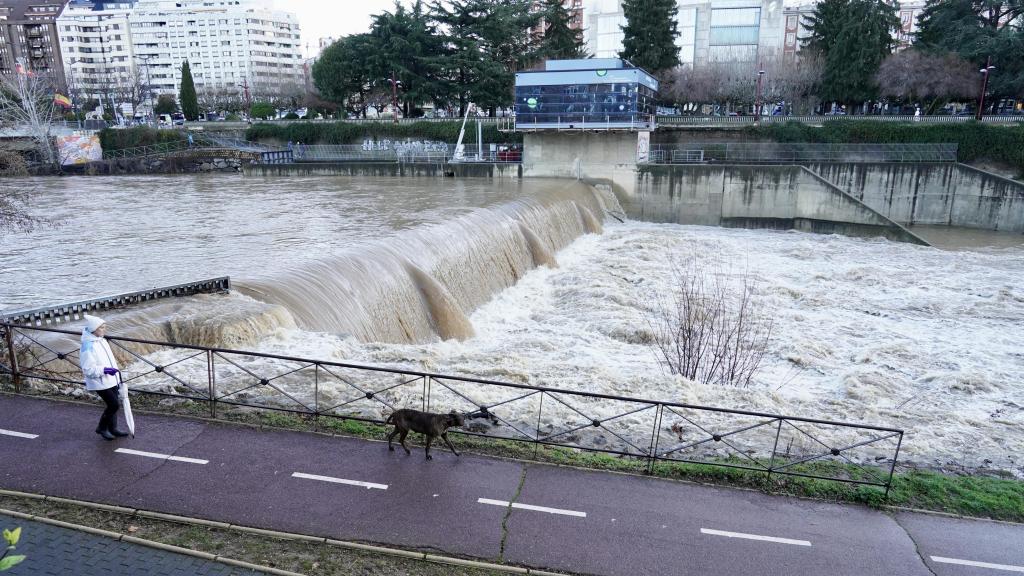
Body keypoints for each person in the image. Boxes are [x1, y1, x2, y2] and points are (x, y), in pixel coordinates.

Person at [80, 315, 127, 440]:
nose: (104, 330)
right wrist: (105, 370)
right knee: (114, 405)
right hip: (99, 381)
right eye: (101, 328)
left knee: (114, 402)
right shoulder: (87, 346)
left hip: (110, 379)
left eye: (104, 327)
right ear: (93, 329)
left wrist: (112, 372)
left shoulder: (102, 340)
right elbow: (88, 369)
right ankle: (101, 428)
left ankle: (113, 428)